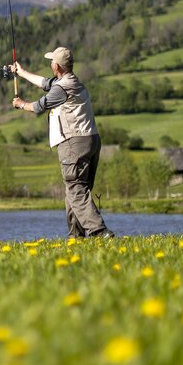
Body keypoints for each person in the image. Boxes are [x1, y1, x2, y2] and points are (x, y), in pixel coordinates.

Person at [8, 46, 115, 238]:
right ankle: (75, 236)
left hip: (74, 143)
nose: (50, 63)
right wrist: (21, 72)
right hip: (91, 140)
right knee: (76, 191)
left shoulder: (61, 89)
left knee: (76, 190)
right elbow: (44, 83)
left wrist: (21, 104)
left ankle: (100, 232)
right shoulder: (73, 82)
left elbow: (38, 107)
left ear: (56, 66)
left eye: (51, 61)